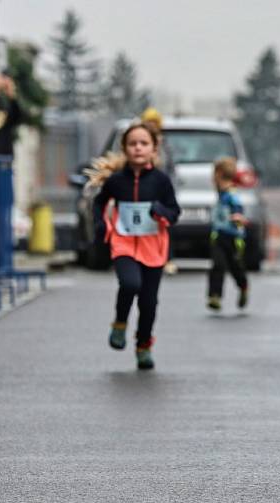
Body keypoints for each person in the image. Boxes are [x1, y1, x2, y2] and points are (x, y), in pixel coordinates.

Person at [92, 122, 181, 370]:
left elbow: (174, 212)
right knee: (130, 283)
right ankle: (120, 323)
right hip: (123, 242)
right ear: (124, 149)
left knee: (148, 302)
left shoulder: (161, 181)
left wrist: (160, 210)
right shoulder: (116, 181)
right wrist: (102, 224)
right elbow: (99, 203)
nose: (138, 148)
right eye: (132, 144)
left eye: (144, 144)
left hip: (153, 247)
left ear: (154, 149)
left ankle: (143, 346)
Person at [140, 106, 179, 276]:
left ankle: (167, 258)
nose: (152, 125)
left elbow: (170, 168)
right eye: (149, 122)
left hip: (160, 190)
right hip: (142, 191)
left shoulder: (164, 144)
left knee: (164, 225)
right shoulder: (139, 143)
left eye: (154, 122)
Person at [207, 157, 249, 311]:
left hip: (232, 237)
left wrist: (238, 216)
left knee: (235, 266)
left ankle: (243, 286)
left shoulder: (231, 194)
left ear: (219, 174)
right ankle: (214, 295)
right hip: (219, 236)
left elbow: (238, 209)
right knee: (217, 265)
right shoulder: (220, 193)